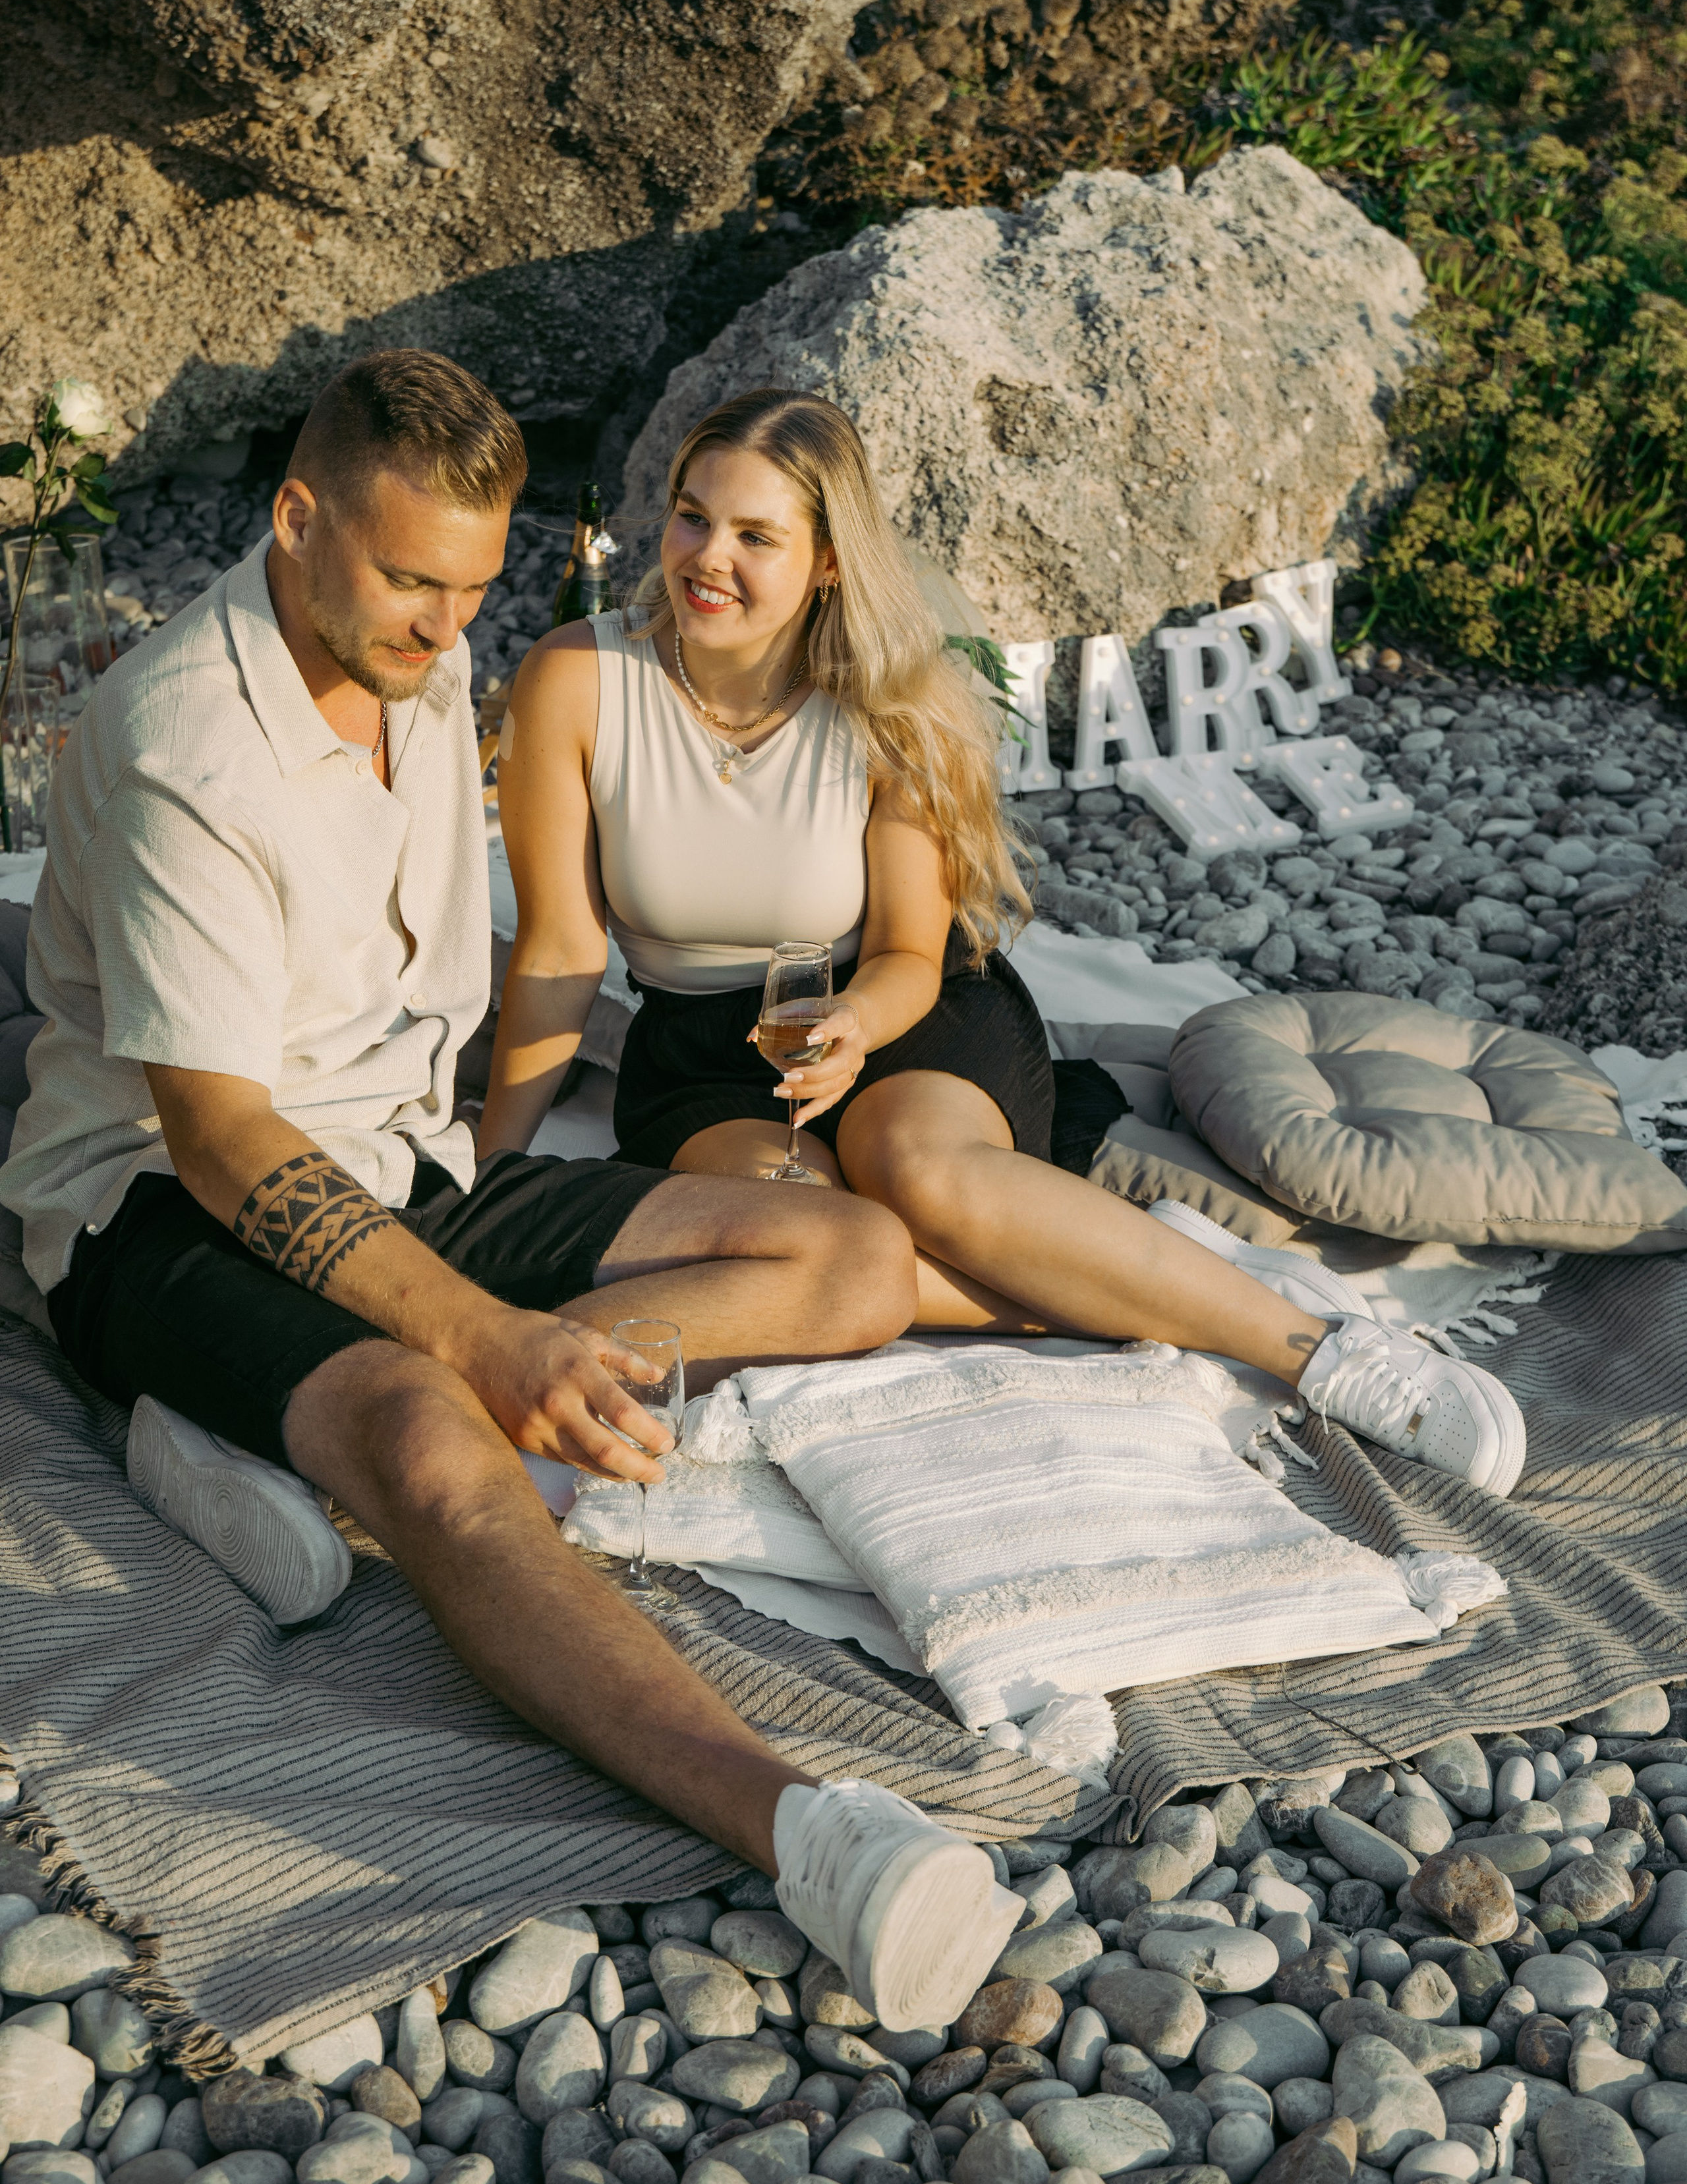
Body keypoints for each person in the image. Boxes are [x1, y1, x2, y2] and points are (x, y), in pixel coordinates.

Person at [0, 350, 1028, 2029]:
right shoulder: (187, 742)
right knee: (429, 1426)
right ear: (296, 517)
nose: (441, 629)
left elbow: (500, 965)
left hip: (396, 1160)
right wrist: (481, 1343)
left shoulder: (423, 642)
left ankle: (268, 1416)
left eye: (472, 588)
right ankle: (813, 1834)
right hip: (160, 1206)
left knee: (843, 1257)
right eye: (410, 579)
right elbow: (221, 1141)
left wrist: (493, 1206)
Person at [480, 385, 1528, 1498]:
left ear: (828, 561)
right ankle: (1140, 1267)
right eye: (692, 516)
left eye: (756, 536)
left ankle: (1314, 1348)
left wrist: (853, 1027)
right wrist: (491, 1170)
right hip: (702, 1054)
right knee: (813, 1243)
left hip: (903, 1011)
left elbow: (907, 957)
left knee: (921, 1178)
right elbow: (556, 951)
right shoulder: (579, 680)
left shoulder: (889, 697)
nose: (706, 558)